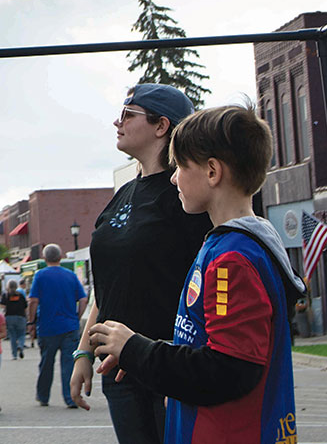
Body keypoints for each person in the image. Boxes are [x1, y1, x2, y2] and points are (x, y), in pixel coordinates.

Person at [88, 105, 305, 444]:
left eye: (181, 166)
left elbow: (227, 369)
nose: (173, 178)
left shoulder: (232, 259)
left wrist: (137, 350)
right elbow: (207, 349)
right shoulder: (228, 245)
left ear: (212, 172)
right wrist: (153, 362)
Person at [71, 84, 213, 444]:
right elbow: (107, 285)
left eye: (128, 114)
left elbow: (204, 286)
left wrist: (174, 368)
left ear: (161, 125)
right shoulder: (123, 195)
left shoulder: (186, 196)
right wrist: (83, 351)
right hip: (117, 369)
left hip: (168, 365)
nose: (117, 122)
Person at [29, 243, 88, 409]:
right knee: (69, 364)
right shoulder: (71, 276)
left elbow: (33, 301)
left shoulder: (40, 275)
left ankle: (43, 396)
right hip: (69, 326)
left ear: (44, 258)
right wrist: (77, 317)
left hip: (48, 326)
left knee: (46, 363)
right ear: (60, 257)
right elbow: (83, 299)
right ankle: (70, 397)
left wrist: (31, 321)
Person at [1, 278, 30, 360]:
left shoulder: (6, 295)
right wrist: (27, 317)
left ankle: (14, 355)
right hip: (21, 316)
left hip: (9, 317)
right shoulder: (20, 295)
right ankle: (20, 345)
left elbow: (2, 306)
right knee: (22, 334)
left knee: (12, 336)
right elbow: (25, 307)